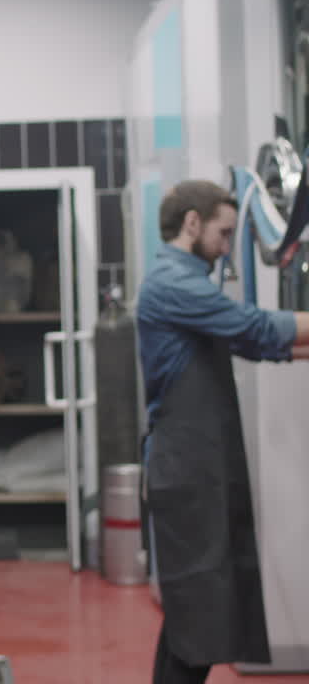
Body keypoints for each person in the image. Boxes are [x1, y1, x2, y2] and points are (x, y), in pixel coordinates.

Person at [136, 179, 309, 684]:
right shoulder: (172, 283)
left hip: (199, 466)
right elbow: (254, 327)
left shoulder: (188, 282)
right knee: (200, 615)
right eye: (225, 233)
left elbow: (254, 342)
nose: (227, 246)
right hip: (188, 470)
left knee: (193, 615)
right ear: (193, 223)